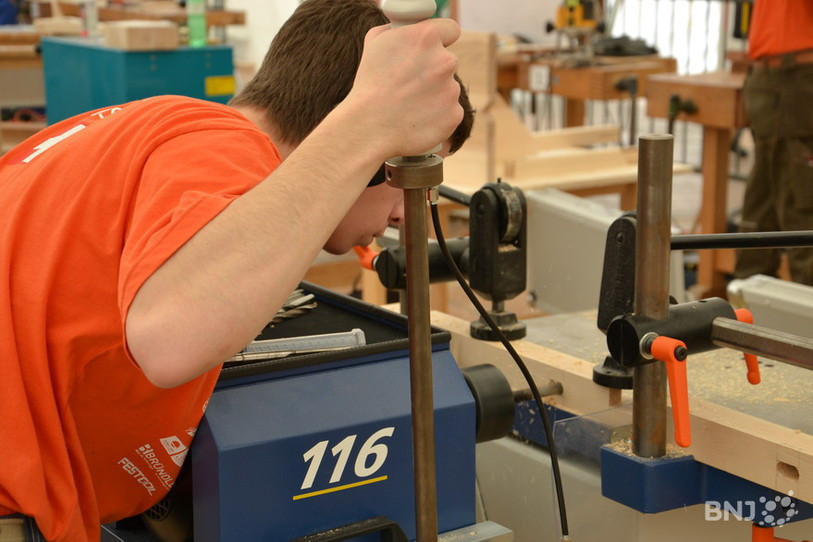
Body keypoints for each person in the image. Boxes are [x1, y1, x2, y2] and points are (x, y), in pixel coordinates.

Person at [0, 0, 474, 539]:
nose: (402, 211)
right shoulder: (221, 147)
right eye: (402, 168)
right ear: (340, 119)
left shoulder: (158, 128)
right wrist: (367, 128)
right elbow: (169, 336)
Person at [733, 0, 813, 285]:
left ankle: (805, 323)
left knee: (801, 212)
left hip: (797, 76)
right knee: (759, 215)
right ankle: (746, 318)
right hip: (768, 77)